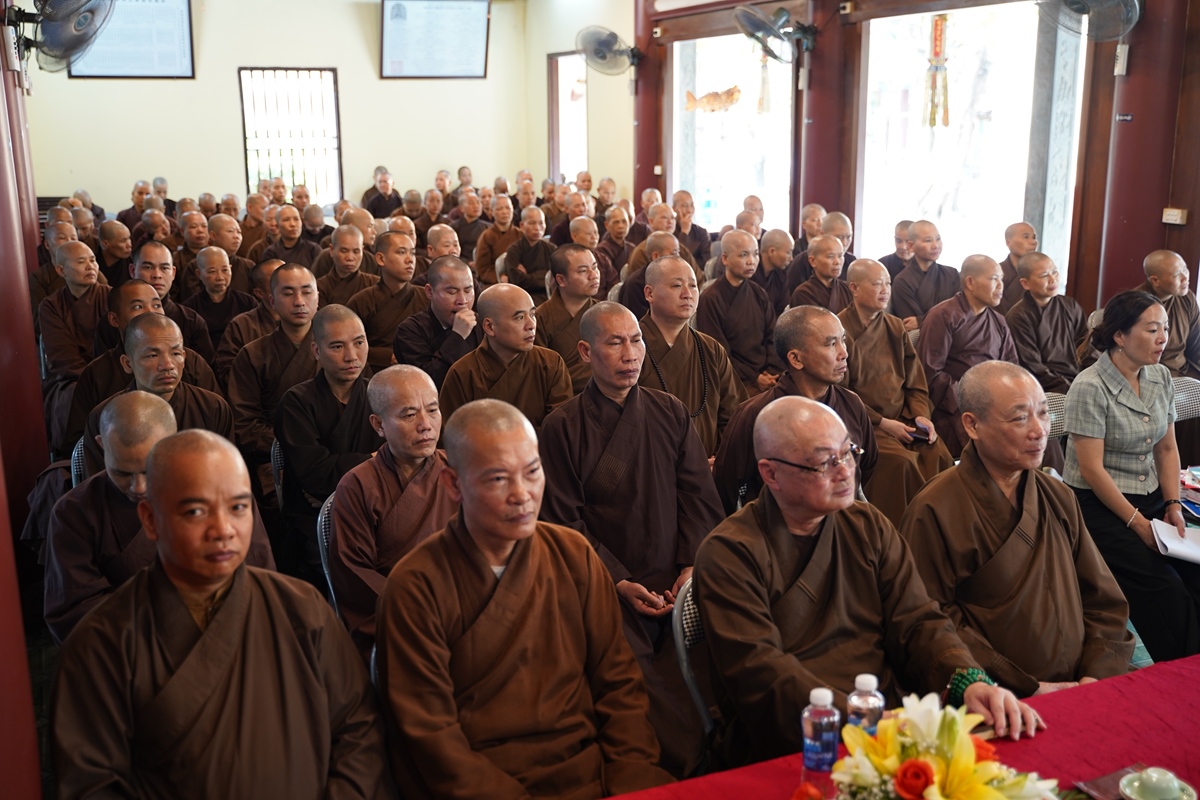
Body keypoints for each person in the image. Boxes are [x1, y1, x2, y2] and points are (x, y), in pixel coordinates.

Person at [695, 396, 1043, 768]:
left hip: (890, 717)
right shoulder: (728, 552)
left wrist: (966, 679)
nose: (846, 472)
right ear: (771, 474)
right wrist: (861, 719)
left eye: (848, 453)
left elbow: (918, 620)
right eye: (825, 462)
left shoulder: (868, 525)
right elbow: (758, 671)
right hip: (791, 739)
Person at [52, 429, 394, 798]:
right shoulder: (101, 643)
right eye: (196, 511)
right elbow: (91, 784)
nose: (223, 530)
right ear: (150, 519)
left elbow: (358, 728)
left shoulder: (302, 609)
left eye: (238, 508)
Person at [375, 399, 674, 798]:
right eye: (498, 479)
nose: (522, 495)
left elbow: (618, 681)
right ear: (453, 484)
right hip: (486, 784)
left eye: (532, 472)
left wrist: (630, 771)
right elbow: (429, 735)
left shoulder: (574, 554)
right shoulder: (415, 586)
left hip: (594, 772)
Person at [539, 302, 724, 777]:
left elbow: (698, 496)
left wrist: (690, 567)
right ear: (586, 352)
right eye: (615, 342)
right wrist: (617, 581)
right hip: (606, 584)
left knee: (722, 648)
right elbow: (561, 522)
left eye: (636, 340)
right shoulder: (562, 427)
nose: (630, 353)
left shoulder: (670, 411)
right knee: (631, 676)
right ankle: (660, 771)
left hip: (678, 578)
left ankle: (720, 753)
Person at [900, 361, 1133, 696]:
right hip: (997, 698)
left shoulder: (1058, 495)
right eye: (1020, 418)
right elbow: (928, 620)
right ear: (972, 425)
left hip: (1084, 689)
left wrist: (1094, 675)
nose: (1039, 431)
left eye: (1044, 413)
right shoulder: (934, 508)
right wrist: (1024, 687)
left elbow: (1103, 599)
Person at [45, 392, 275, 644]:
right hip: (132, 651)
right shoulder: (75, 512)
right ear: (102, 444)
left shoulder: (222, 492)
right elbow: (76, 610)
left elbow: (256, 576)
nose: (139, 487)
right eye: (122, 473)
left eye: (149, 470)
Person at [1064, 290, 1200, 662]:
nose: (1163, 339)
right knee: (1163, 586)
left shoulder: (1160, 376)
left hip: (1150, 494)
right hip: (1098, 504)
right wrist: (1139, 525)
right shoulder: (1090, 386)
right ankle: (1180, 669)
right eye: (1152, 330)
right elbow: (1092, 470)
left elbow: (1167, 449)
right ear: (1120, 336)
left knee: (1195, 572)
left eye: (1166, 328)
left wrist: (1173, 504)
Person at [329, 366, 456, 662]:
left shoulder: (459, 469)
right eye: (409, 415)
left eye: (433, 410)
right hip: (401, 616)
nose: (426, 425)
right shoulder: (357, 485)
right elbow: (354, 574)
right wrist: (419, 610)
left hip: (463, 604)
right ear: (378, 425)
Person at [712, 306, 879, 514]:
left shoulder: (851, 404)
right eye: (831, 344)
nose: (844, 353)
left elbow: (867, 464)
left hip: (841, 521)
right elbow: (727, 486)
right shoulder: (755, 414)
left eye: (843, 340)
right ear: (796, 359)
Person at [839, 259, 953, 524]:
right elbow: (840, 393)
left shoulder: (895, 326)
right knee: (901, 463)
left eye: (888, 283)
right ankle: (901, 532)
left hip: (903, 417)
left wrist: (921, 415)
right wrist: (883, 423)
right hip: (863, 423)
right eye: (877, 283)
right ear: (854, 288)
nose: (885, 290)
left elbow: (915, 382)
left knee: (938, 452)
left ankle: (941, 528)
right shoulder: (839, 330)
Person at [275, 305, 381, 583]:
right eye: (337, 346)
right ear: (316, 351)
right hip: (313, 520)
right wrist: (375, 459)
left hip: (377, 510)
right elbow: (316, 477)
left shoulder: (380, 394)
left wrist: (342, 478)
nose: (351, 356)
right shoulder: (296, 403)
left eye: (359, 343)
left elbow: (404, 461)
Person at [66, 280, 218, 448]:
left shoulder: (192, 364)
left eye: (157, 305)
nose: (151, 312)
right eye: (138, 307)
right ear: (114, 319)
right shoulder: (97, 374)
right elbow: (80, 444)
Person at [80, 312, 233, 476]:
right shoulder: (104, 418)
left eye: (175, 354)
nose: (167, 365)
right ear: (127, 363)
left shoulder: (212, 409)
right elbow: (99, 486)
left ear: (184, 357)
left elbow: (227, 477)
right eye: (152, 355)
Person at [228, 264, 321, 502]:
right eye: (288, 293)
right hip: (276, 457)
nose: (299, 301)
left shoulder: (338, 348)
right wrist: (298, 446)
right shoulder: (252, 355)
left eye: (307, 292)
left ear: (318, 297)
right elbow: (245, 425)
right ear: (272, 300)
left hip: (332, 454)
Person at [637, 256, 744, 457]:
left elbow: (734, 415)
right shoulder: (630, 349)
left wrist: (720, 459)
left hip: (707, 465)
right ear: (649, 293)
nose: (687, 294)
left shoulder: (711, 349)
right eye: (677, 286)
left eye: (693, 286)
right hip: (647, 465)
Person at [918, 255, 1019, 458]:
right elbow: (930, 372)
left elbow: (1011, 368)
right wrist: (971, 398)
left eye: (1001, 279)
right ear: (970, 282)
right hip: (953, 404)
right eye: (994, 279)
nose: (1000, 286)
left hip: (993, 401)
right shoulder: (943, 315)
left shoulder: (998, 320)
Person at [439, 284, 572, 430]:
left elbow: (561, 430)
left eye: (533, 315)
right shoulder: (462, 373)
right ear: (489, 327)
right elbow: (452, 434)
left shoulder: (550, 364)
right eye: (519, 317)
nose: (531, 325)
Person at [40, 241, 110, 453]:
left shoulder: (112, 296)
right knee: (71, 397)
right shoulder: (51, 306)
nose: (90, 266)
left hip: (110, 373)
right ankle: (76, 459)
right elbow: (61, 355)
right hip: (71, 377)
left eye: (93, 260)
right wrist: (90, 381)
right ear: (61, 270)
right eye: (81, 262)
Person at [696, 229, 783, 395]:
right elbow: (717, 353)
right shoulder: (711, 298)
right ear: (725, 259)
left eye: (755, 254)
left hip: (768, 374)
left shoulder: (759, 293)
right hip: (735, 378)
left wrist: (771, 372)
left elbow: (773, 336)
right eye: (743, 255)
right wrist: (754, 377)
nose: (751, 261)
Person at [393, 256, 482, 388]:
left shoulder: (482, 324)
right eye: (452, 292)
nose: (463, 300)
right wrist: (458, 336)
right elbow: (427, 383)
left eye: (468, 290)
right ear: (429, 292)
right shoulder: (410, 330)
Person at [1005, 252, 1087, 393]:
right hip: (1046, 387)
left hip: (1079, 379)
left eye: (1054, 272)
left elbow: (1086, 346)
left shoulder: (1070, 305)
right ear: (1025, 283)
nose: (1052, 279)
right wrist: (1071, 389)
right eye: (1044, 276)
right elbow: (1032, 366)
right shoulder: (1018, 316)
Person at [347, 231, 429, 372]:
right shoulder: (361, 301)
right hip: (373, 373)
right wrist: (386, 356)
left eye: (413, 253)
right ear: (381, 259)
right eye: (401, 252)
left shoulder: (427, 298)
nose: (410, 260)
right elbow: (350, 345)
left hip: (421, 371)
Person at [533, 244, 600, 394]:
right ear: (561, 280)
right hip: (562, 397)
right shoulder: (540, 318)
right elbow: (539, 372)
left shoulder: (604, 313)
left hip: (605, 392)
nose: (593, 275)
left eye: (595, 267)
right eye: (583, 271)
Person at [212, 259, 282, 388]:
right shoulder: (242, 325)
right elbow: (227, 372)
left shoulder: (311, 320)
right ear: (259, 293)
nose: (288, 285)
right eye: (277, 281)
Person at [181, 246, 258, 349]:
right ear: (199, 274)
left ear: (231, 269)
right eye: (212, 271)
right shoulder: (189, 309)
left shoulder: (247, 303)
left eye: (225, 270)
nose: (220, 277)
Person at [892, 220, 960, 329]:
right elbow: (910, 324)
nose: (935, 245)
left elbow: (961, 313)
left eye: (938, 239)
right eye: (928, 240)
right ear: (911, 245)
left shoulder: (952, 274)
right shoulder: (902, 281)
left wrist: (920, 320)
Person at [784, 211, 857, 295]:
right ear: (822, 234)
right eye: (839, 237)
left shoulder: (851, 261)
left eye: (849, 237)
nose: (844, 243)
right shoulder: (802, 261)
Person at [618, 231, 681, 321]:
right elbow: (639, 322)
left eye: (678, 252)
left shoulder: (675, 278)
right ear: (656, 256)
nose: (678, 258)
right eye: (674, 253)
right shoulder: (635, 284)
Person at [626, 203, 700, 279]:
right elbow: (639, 282)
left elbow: (698, 278)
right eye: (665, 217)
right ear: (651, 221)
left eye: (672, 218)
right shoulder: (642, 251)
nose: (670, 221)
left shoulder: (681, 249)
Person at [503, 205, 556, 304]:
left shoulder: (551, 248)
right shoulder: (514, 250)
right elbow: (517, 281)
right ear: (522, 225)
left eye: (541, 223)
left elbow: (556, 277)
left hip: (549, 294)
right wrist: (544, 275)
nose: (537, 228)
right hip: (524, 296)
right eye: (532, 223)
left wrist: (528, 276)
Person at [317, 225, 380, 307]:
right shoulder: (320, 287)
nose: (350, 258)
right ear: (332, 250)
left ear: (362, 250)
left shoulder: (376, 284)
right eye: (344, 251)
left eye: (356, 251)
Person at [788, 234, 852, 312]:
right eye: (830, 256)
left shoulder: (847, 289)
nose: (837, 262)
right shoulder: (803, 293)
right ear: (813, 261)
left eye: (840, 256)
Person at [474, 193, 519, 285]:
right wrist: (499, 277)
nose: (504, 212)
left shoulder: (520, 234)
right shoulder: (486, 236)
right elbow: (482, 269)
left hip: (519, 279)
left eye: (508, 208)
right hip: (494, 282)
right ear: (492, 211)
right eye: (499, 209)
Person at [570, 215, 620, 296]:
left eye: (596, 232)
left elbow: (614, 284)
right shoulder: (566, 259)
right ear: (574, 236)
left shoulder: (602, 258)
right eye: (589, 234)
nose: (594, 237)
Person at [998, 222, 1039, 314]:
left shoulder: (1040, 272)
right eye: (1026, 237)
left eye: (1034, 237)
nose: (1033, 242)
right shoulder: (997, 272)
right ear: (1008, 242)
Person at [754, 228, 794, 316]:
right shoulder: (750, 272)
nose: (791, 258)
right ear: (772, 251)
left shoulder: (781, 275)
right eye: (788, 252)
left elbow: (783, 310)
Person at [451, 191, 490, 263]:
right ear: (462, 208)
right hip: (460, 263)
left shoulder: (488, 227)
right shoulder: (454, 227)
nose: (476, 206)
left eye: (478, 202)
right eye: (471, 203)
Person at [598, 205, 635, 278]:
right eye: (616, 222)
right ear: (607, 225)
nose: (621, 226)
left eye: (624, 221)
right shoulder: (602, 250)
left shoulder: (632, 248)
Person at [97, 220, 133, 288]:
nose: (129, 245)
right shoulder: (93, 264)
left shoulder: (133, 263)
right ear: (105, 244)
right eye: (123, 241)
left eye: (129, 238)